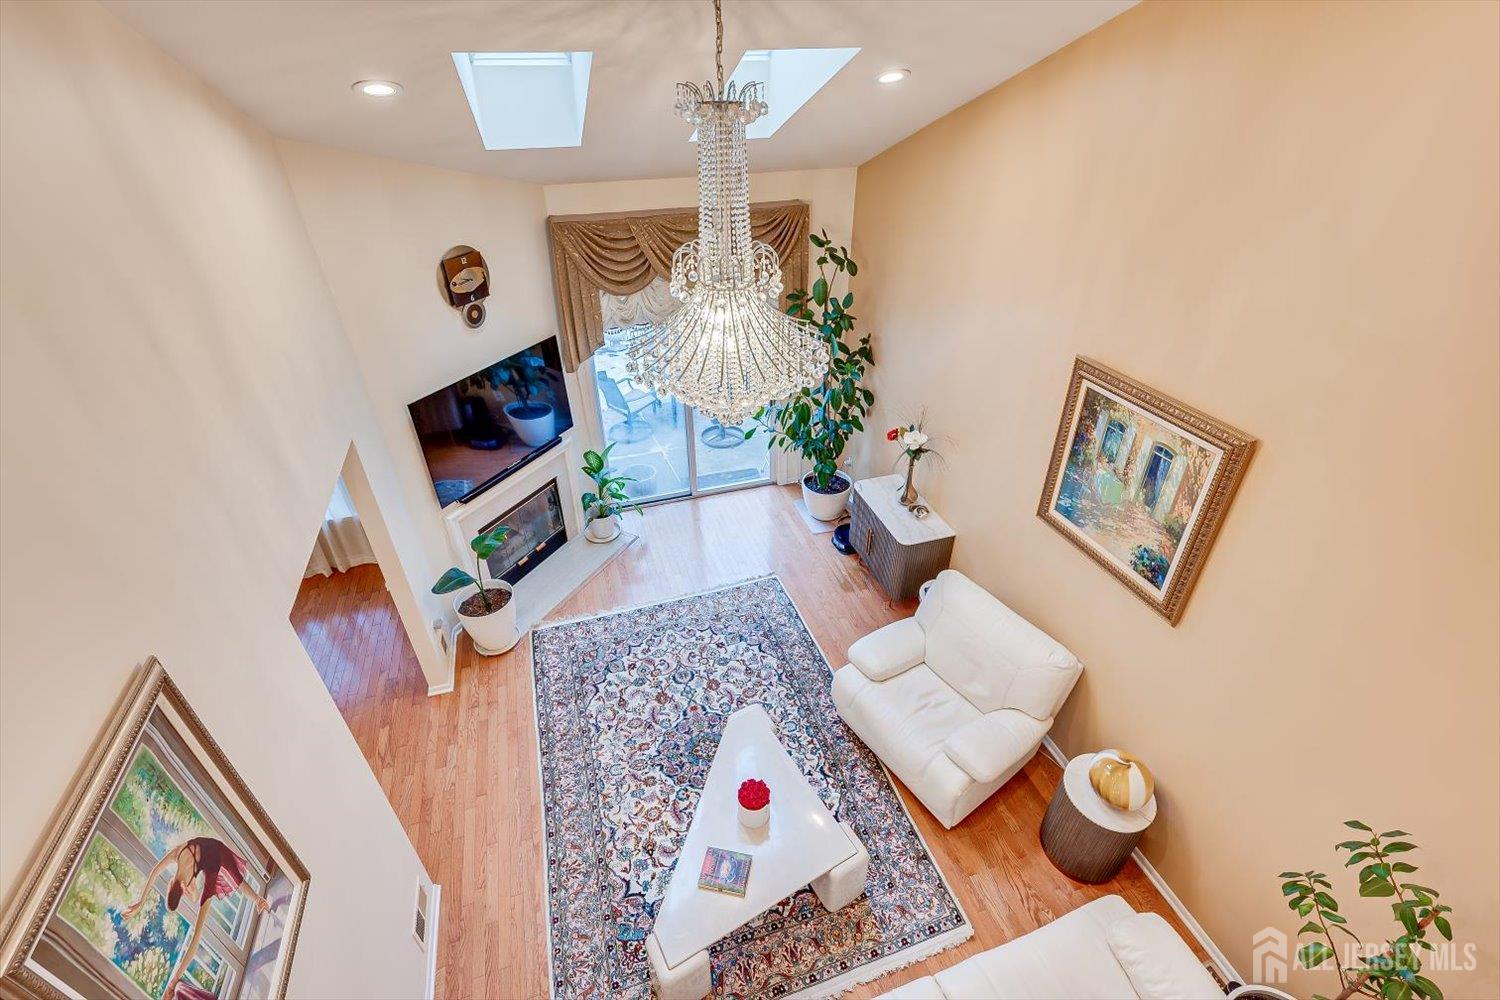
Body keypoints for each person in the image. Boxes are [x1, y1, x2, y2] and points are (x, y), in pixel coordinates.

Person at [121, 837, 271, 999]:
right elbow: (155, 872)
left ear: (182, 889)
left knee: (198, 932)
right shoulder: (177, 852)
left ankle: (258, 900)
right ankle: (258, 900)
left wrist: (173, 982)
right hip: (214, 847)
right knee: (236, 879)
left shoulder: (191, 881)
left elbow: (194, 902)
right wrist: (140, 902)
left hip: (212, 863)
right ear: (170, 884)